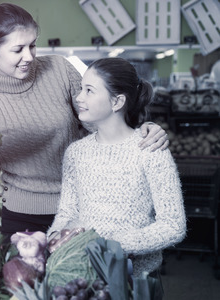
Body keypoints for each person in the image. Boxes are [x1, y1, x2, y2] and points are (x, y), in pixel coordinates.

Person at [0, 3, 168, 240]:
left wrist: (137, 131)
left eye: (32, 45)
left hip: (81, 204)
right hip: (22, 215)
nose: (29, 56)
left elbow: (100, 122)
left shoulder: (59, 69)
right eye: (18, 49)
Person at [46, 57, 186, 280]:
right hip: (83, 274)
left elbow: (173, 225)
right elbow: (67, 212)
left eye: (89, 91)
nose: (79, 98)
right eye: (81, 89)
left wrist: (109, 245)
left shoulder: (150, 149)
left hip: (136, 280)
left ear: (117, 102)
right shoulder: (76, 152)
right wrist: (55, 236)